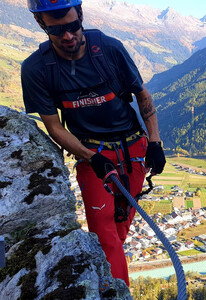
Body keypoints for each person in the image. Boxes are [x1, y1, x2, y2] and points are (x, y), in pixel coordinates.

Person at [21, 0, 166, 286]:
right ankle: (116, 292)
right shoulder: (36, 69)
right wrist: (91, 157)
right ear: (41, 24)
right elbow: (54, 126)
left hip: (133, 150)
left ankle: (109, 282)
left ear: (81, 16)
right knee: (105, 237)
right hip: (92, 156)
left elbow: (142, 94)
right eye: (57, 29)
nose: (67, 36)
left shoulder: (109, 49)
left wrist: (155, 142)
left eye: (73, 26)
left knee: (119, 231)